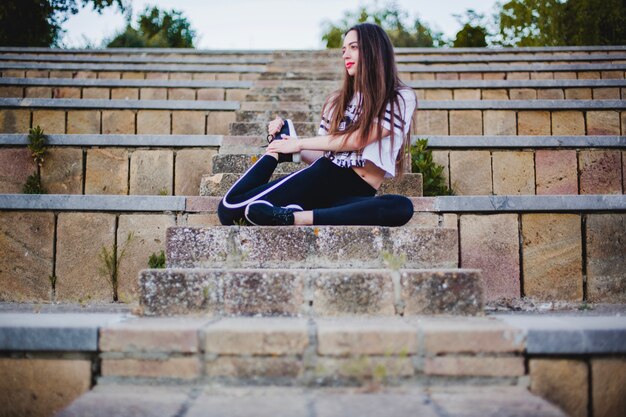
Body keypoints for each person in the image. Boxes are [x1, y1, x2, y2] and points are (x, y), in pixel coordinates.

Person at [218, 22, 417, 227]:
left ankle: (294, 217)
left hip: (358, 193)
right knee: (230, 209)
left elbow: (360, 139)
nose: (345, 55)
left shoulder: (400, 97)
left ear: (375, 50)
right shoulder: (336, 102)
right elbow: (322, 155)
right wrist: (288, 144)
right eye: (343, 50)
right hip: (325, 176)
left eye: (353, 47)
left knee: (401, 207)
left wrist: (299, 144)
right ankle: (277, 152)